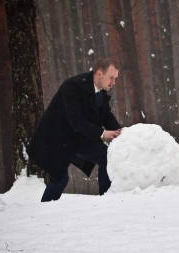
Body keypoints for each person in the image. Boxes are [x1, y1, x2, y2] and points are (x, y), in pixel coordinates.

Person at [27, 58, 123, 202]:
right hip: (56, 139)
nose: (113, 82)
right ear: (99, 74)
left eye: (115, 78)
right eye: (111, 77)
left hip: (77, 138)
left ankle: (106, 201)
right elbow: (75, 120)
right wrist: (102, 134)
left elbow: (106, 116)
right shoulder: (72, 86)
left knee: (106, 156)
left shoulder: (101, 91)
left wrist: (122, 133)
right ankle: (44, 210)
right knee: (60, 179)